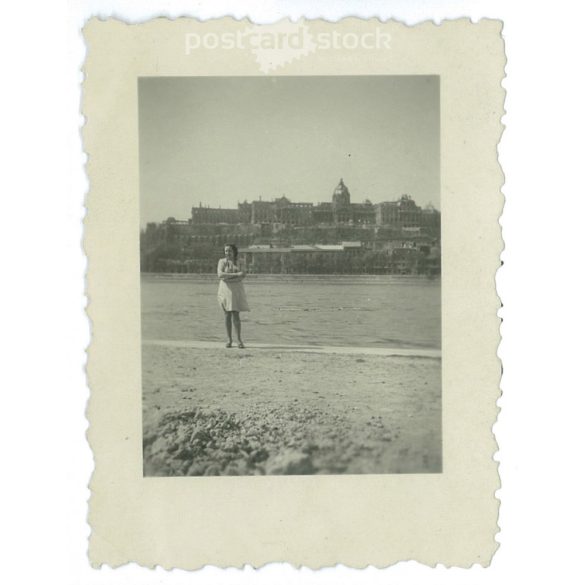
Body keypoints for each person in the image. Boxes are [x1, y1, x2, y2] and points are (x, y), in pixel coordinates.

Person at [217, 244, 249, 348]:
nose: (227, 253)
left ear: (234, 251)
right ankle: (229, 339)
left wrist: (228, 278)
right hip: (225, 289)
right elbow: (220, 275)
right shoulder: (222, 262)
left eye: (229, 251)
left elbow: (243, 275)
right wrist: (235, 275)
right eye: (226, 251)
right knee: (227, 314)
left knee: (236, 314)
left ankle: (239, 340)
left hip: (236, 290)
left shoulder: (241, 261)